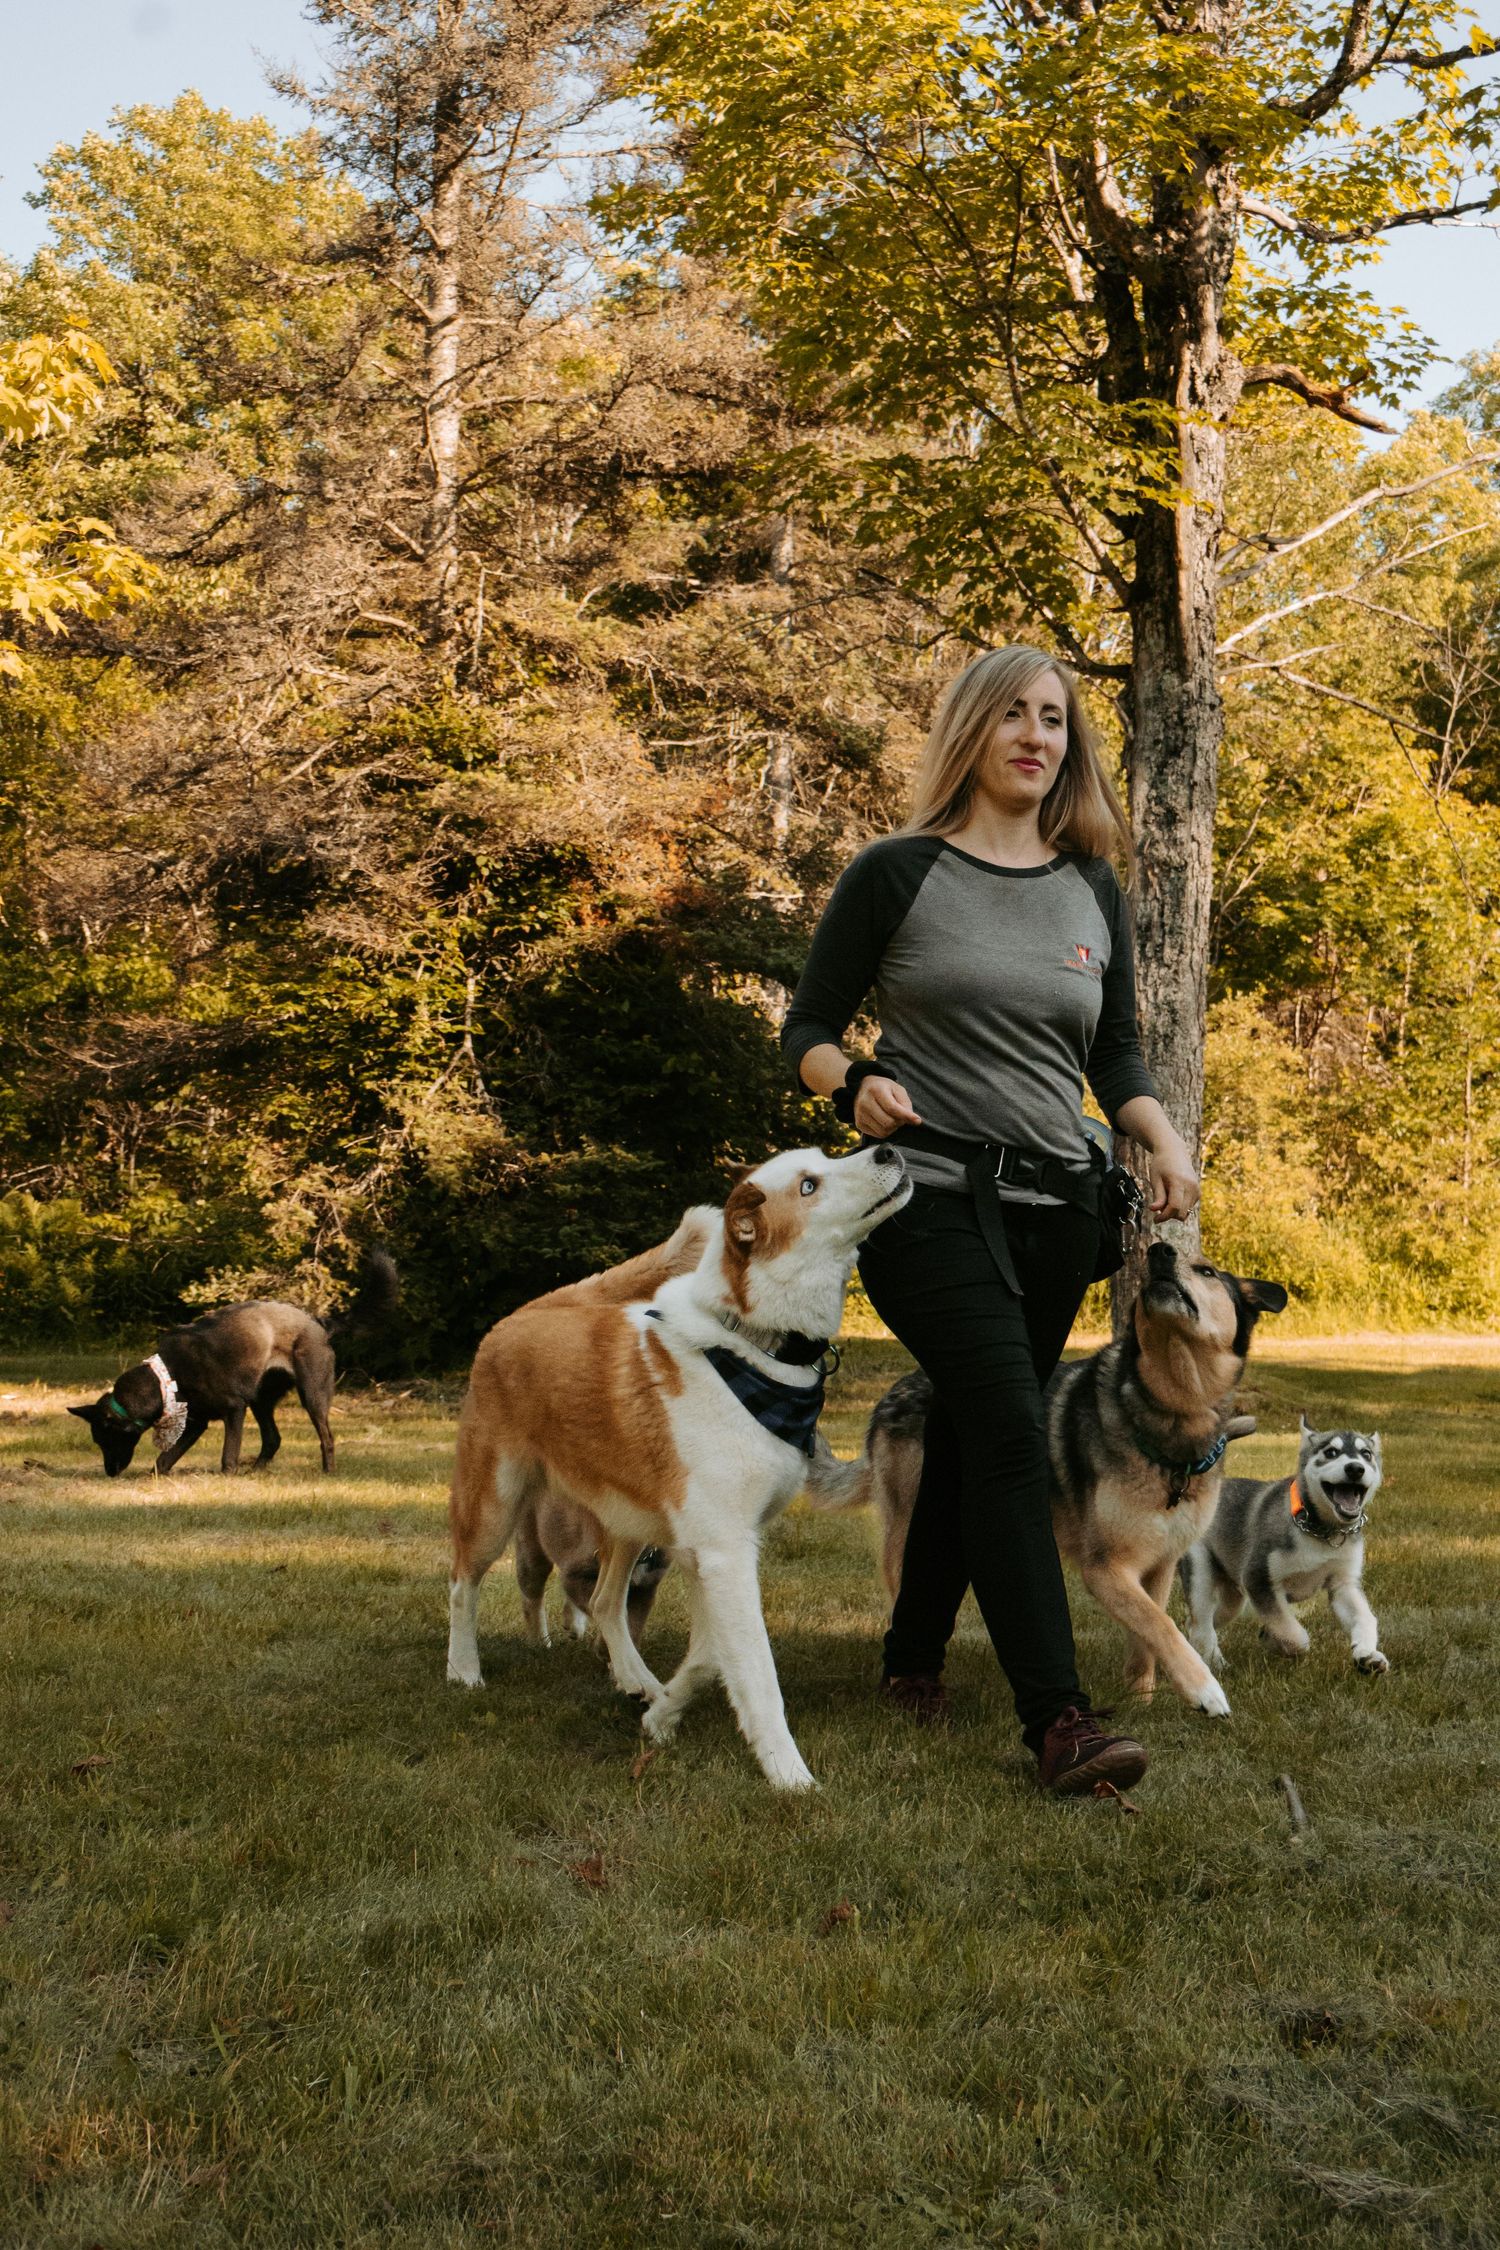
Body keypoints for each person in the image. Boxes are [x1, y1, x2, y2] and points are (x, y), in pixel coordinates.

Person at [781, 645, 1199, 1794]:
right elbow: (807, 1024)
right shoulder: (896, 872)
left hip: (1060, 1210)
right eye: (1013, 714)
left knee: (974, 1435)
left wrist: (1155, 1135)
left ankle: (913, 1655)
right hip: (927, 1201)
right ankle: (1060, 1720)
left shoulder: (1088, 886)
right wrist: (850, 1081)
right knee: (1014, 1432)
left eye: (1055, 719)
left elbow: (1111, 1049)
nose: (1036, 735)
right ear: (972, 729)